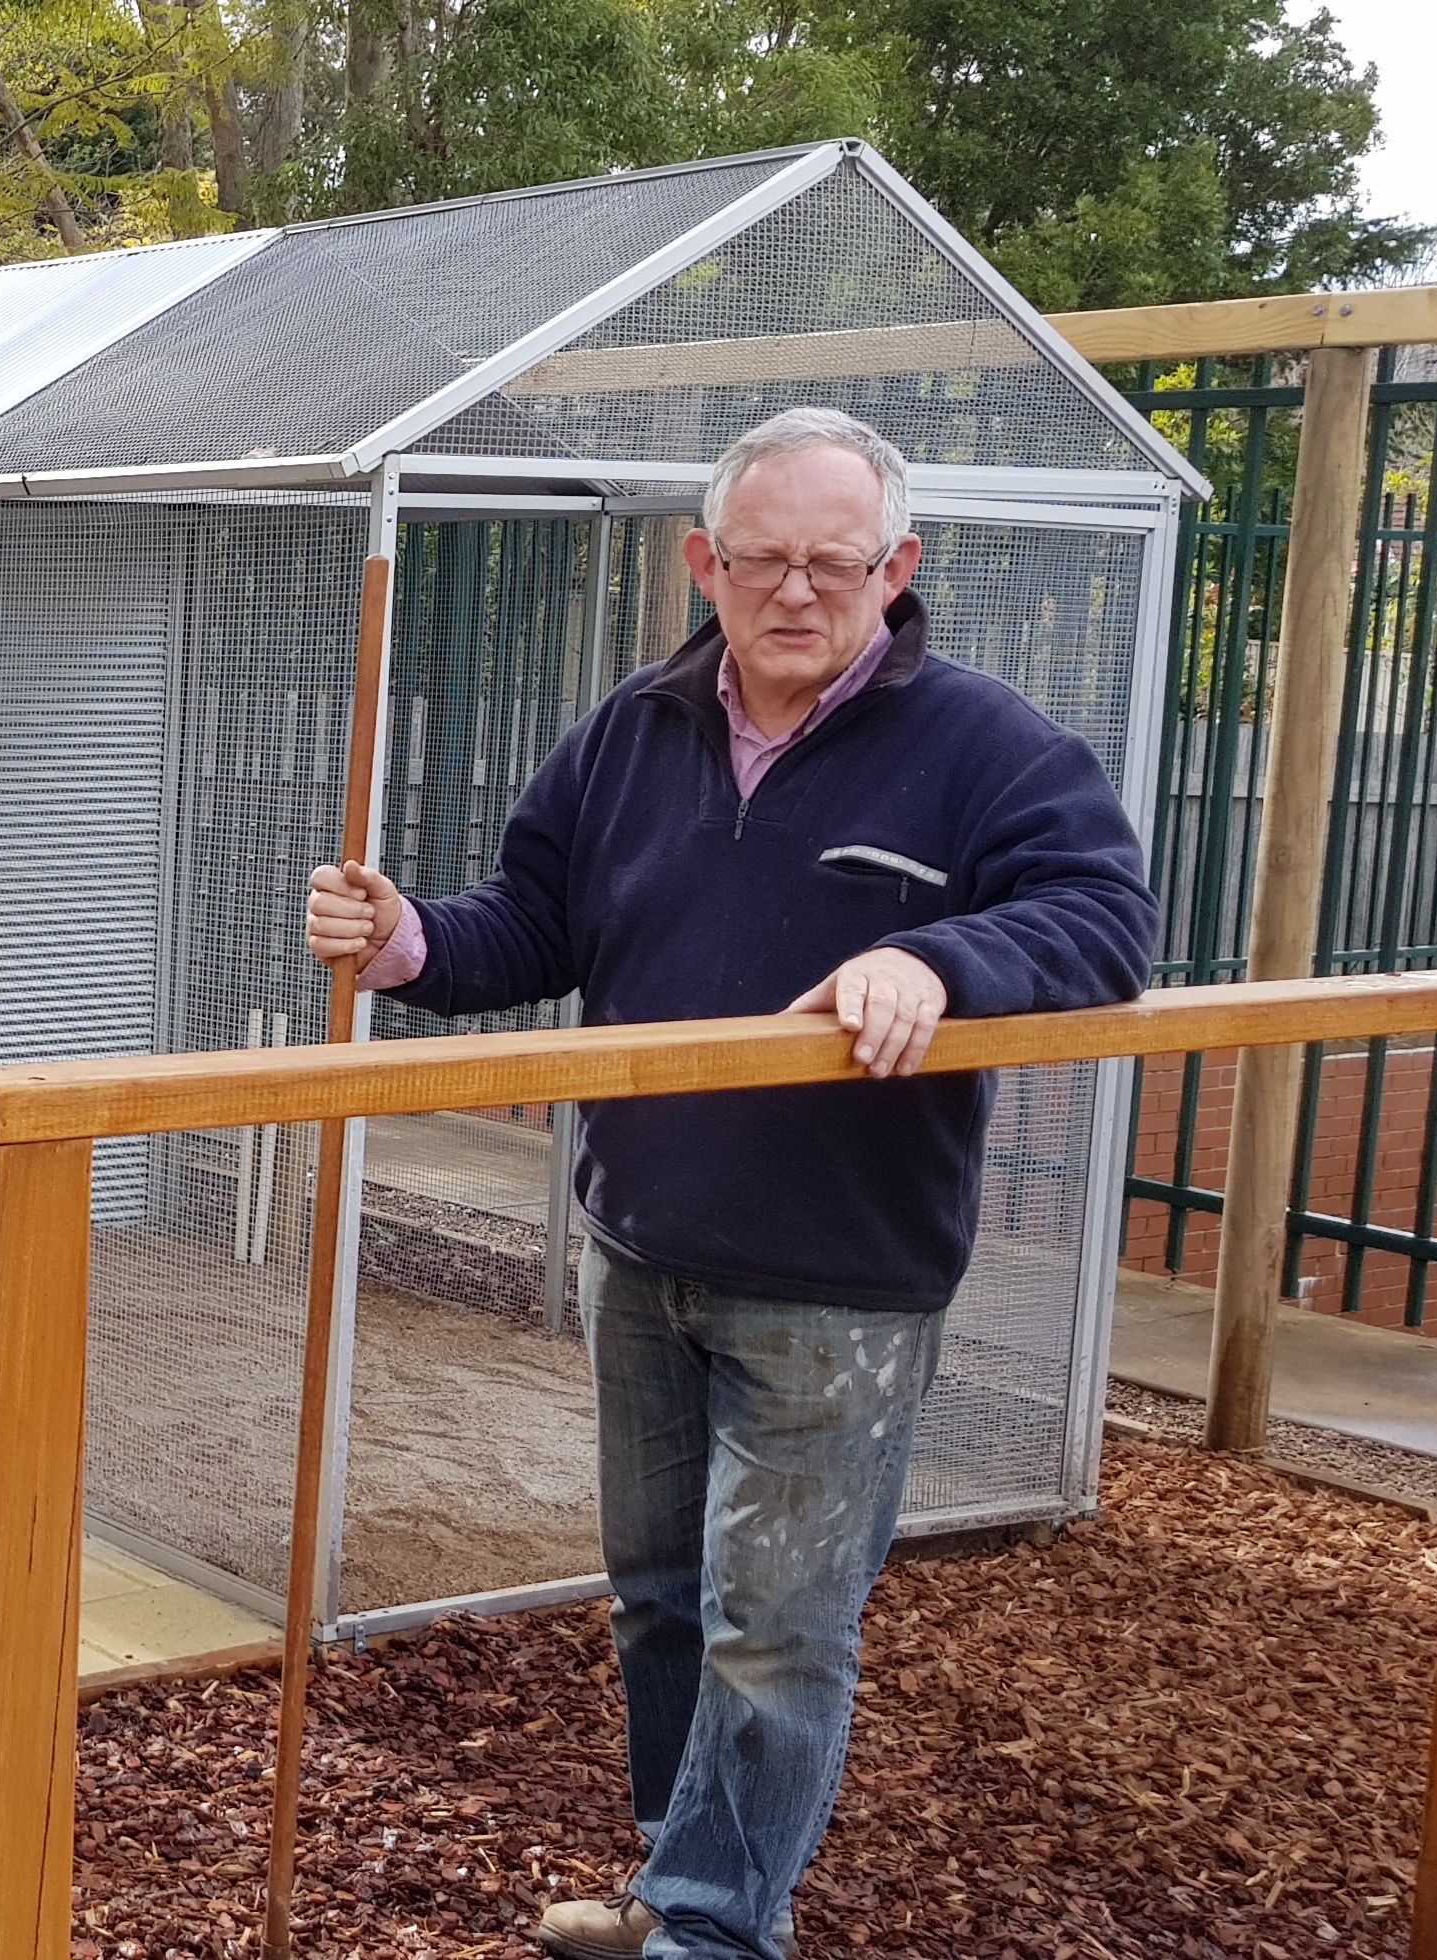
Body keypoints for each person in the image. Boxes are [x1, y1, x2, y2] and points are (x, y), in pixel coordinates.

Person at [300, 407, 1156, 1960]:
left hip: (841, 1276)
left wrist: (935, 956)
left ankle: (708, 1928)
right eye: (760, 557)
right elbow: (541, 922)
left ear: (898, 569)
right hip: (646, 1245)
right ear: (705, 560)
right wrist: (407, 939)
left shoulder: (990, 747)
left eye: (836, 560)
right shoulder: (637, 726)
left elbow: (1102, 921)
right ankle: (674, 1873)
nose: (795, 590)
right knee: (659, 1597)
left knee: (778, 1628)